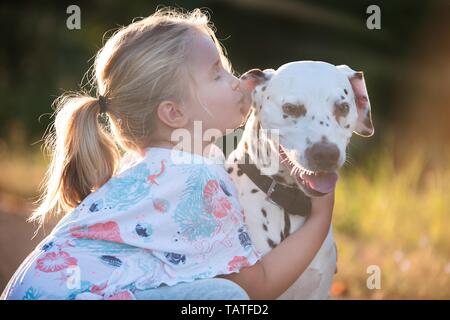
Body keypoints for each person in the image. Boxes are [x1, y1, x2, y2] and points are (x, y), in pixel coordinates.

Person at [1, 7, 334, 300]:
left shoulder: (149, 169)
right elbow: (258, 288)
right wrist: (319, 217)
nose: (238, 82)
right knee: (227, 296)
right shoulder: (196, 178)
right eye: (217, 74)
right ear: (173, 113)